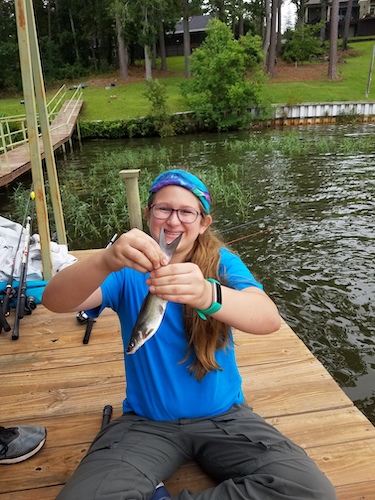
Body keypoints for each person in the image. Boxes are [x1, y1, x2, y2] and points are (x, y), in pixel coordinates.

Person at [42, 169, 337, 500]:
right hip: (147, 422)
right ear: (149, 214)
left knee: (312, 491)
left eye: (186, 212)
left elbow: (268, 319)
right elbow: (55, 301)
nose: (173, 221)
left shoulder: (222, 263)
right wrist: (105, 260)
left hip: (227, 418)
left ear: (203, 223)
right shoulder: (126, 270)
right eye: (163, 209)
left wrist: (208, 296)